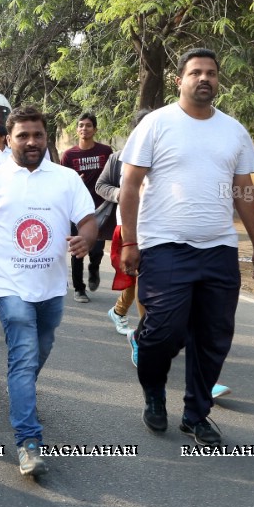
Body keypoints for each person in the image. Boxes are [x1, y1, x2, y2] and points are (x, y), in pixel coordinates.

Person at [118, 48, 254, 448]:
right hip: (165, 245)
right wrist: (130, 241)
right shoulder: (156, 124)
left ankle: (195, 415)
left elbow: (244, 190)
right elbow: (130, 186)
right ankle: (153, 390)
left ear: (218, 81)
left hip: (218, 247)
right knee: (164, 332)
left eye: (212, 74)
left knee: (214, 334)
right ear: (180, 80)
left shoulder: (233, 130)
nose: (204, 79)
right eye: (196, 72)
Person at [0, 105, 97, 477]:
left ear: (46, 138)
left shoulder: (65, 179)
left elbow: (88, 220)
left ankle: (20, 386)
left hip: (51, 287)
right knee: (25, 355)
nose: (31, 142)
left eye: (38, 135)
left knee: (38, 351)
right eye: (23, 135)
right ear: (8, 139)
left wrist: (86, 240)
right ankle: (29, 442)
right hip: (11, 287)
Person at [96, 109, 151, 338]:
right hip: (128, 227)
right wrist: (123, 194)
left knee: (140, 278)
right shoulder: (118, 158)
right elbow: (101, 186)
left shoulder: (165, 157)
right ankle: (144, 333)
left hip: (157, 227)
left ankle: (121, 312)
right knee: (137, 276)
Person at [60, 112, 113, 303]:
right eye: (81, 125)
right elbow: (63, 182)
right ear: (77, 130)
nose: (84, 129)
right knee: (77, 251)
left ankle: (94, 268)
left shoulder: (105, 151)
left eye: (88, 125)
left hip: (99, 209)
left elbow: (112, 175)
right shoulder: (69, 155)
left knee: (97, 249)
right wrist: (75, 183)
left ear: (95, 129)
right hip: (77, 210)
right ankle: (79, 289)